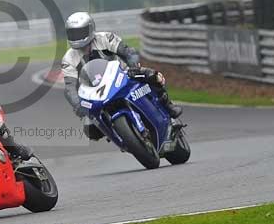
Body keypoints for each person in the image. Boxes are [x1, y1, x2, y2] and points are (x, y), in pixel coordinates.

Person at [61, 11, 183, 141]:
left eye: (80, 32)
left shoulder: (105, 38)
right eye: (73, 33)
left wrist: (134, 67)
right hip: (96, 92)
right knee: (90, 130)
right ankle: (118, 135)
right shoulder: (68, 59)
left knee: (152, 76)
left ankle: (168, 106)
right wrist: (77, 105)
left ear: (90, 28)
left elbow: (128, 52)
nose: (77, 37)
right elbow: (70, 87)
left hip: (123, 75)